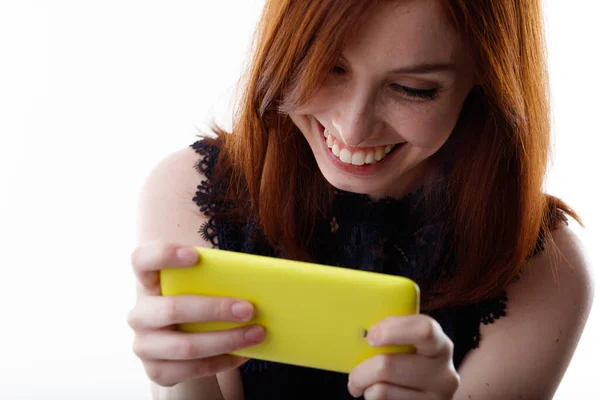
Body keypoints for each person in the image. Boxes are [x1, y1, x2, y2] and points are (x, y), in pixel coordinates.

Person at [127, 0, 594, 399]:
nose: (351, 128)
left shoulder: (543, 268)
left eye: (413, 89)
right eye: (328, 66)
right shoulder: (190, 192)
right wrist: (180, 377)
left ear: (485, 80)